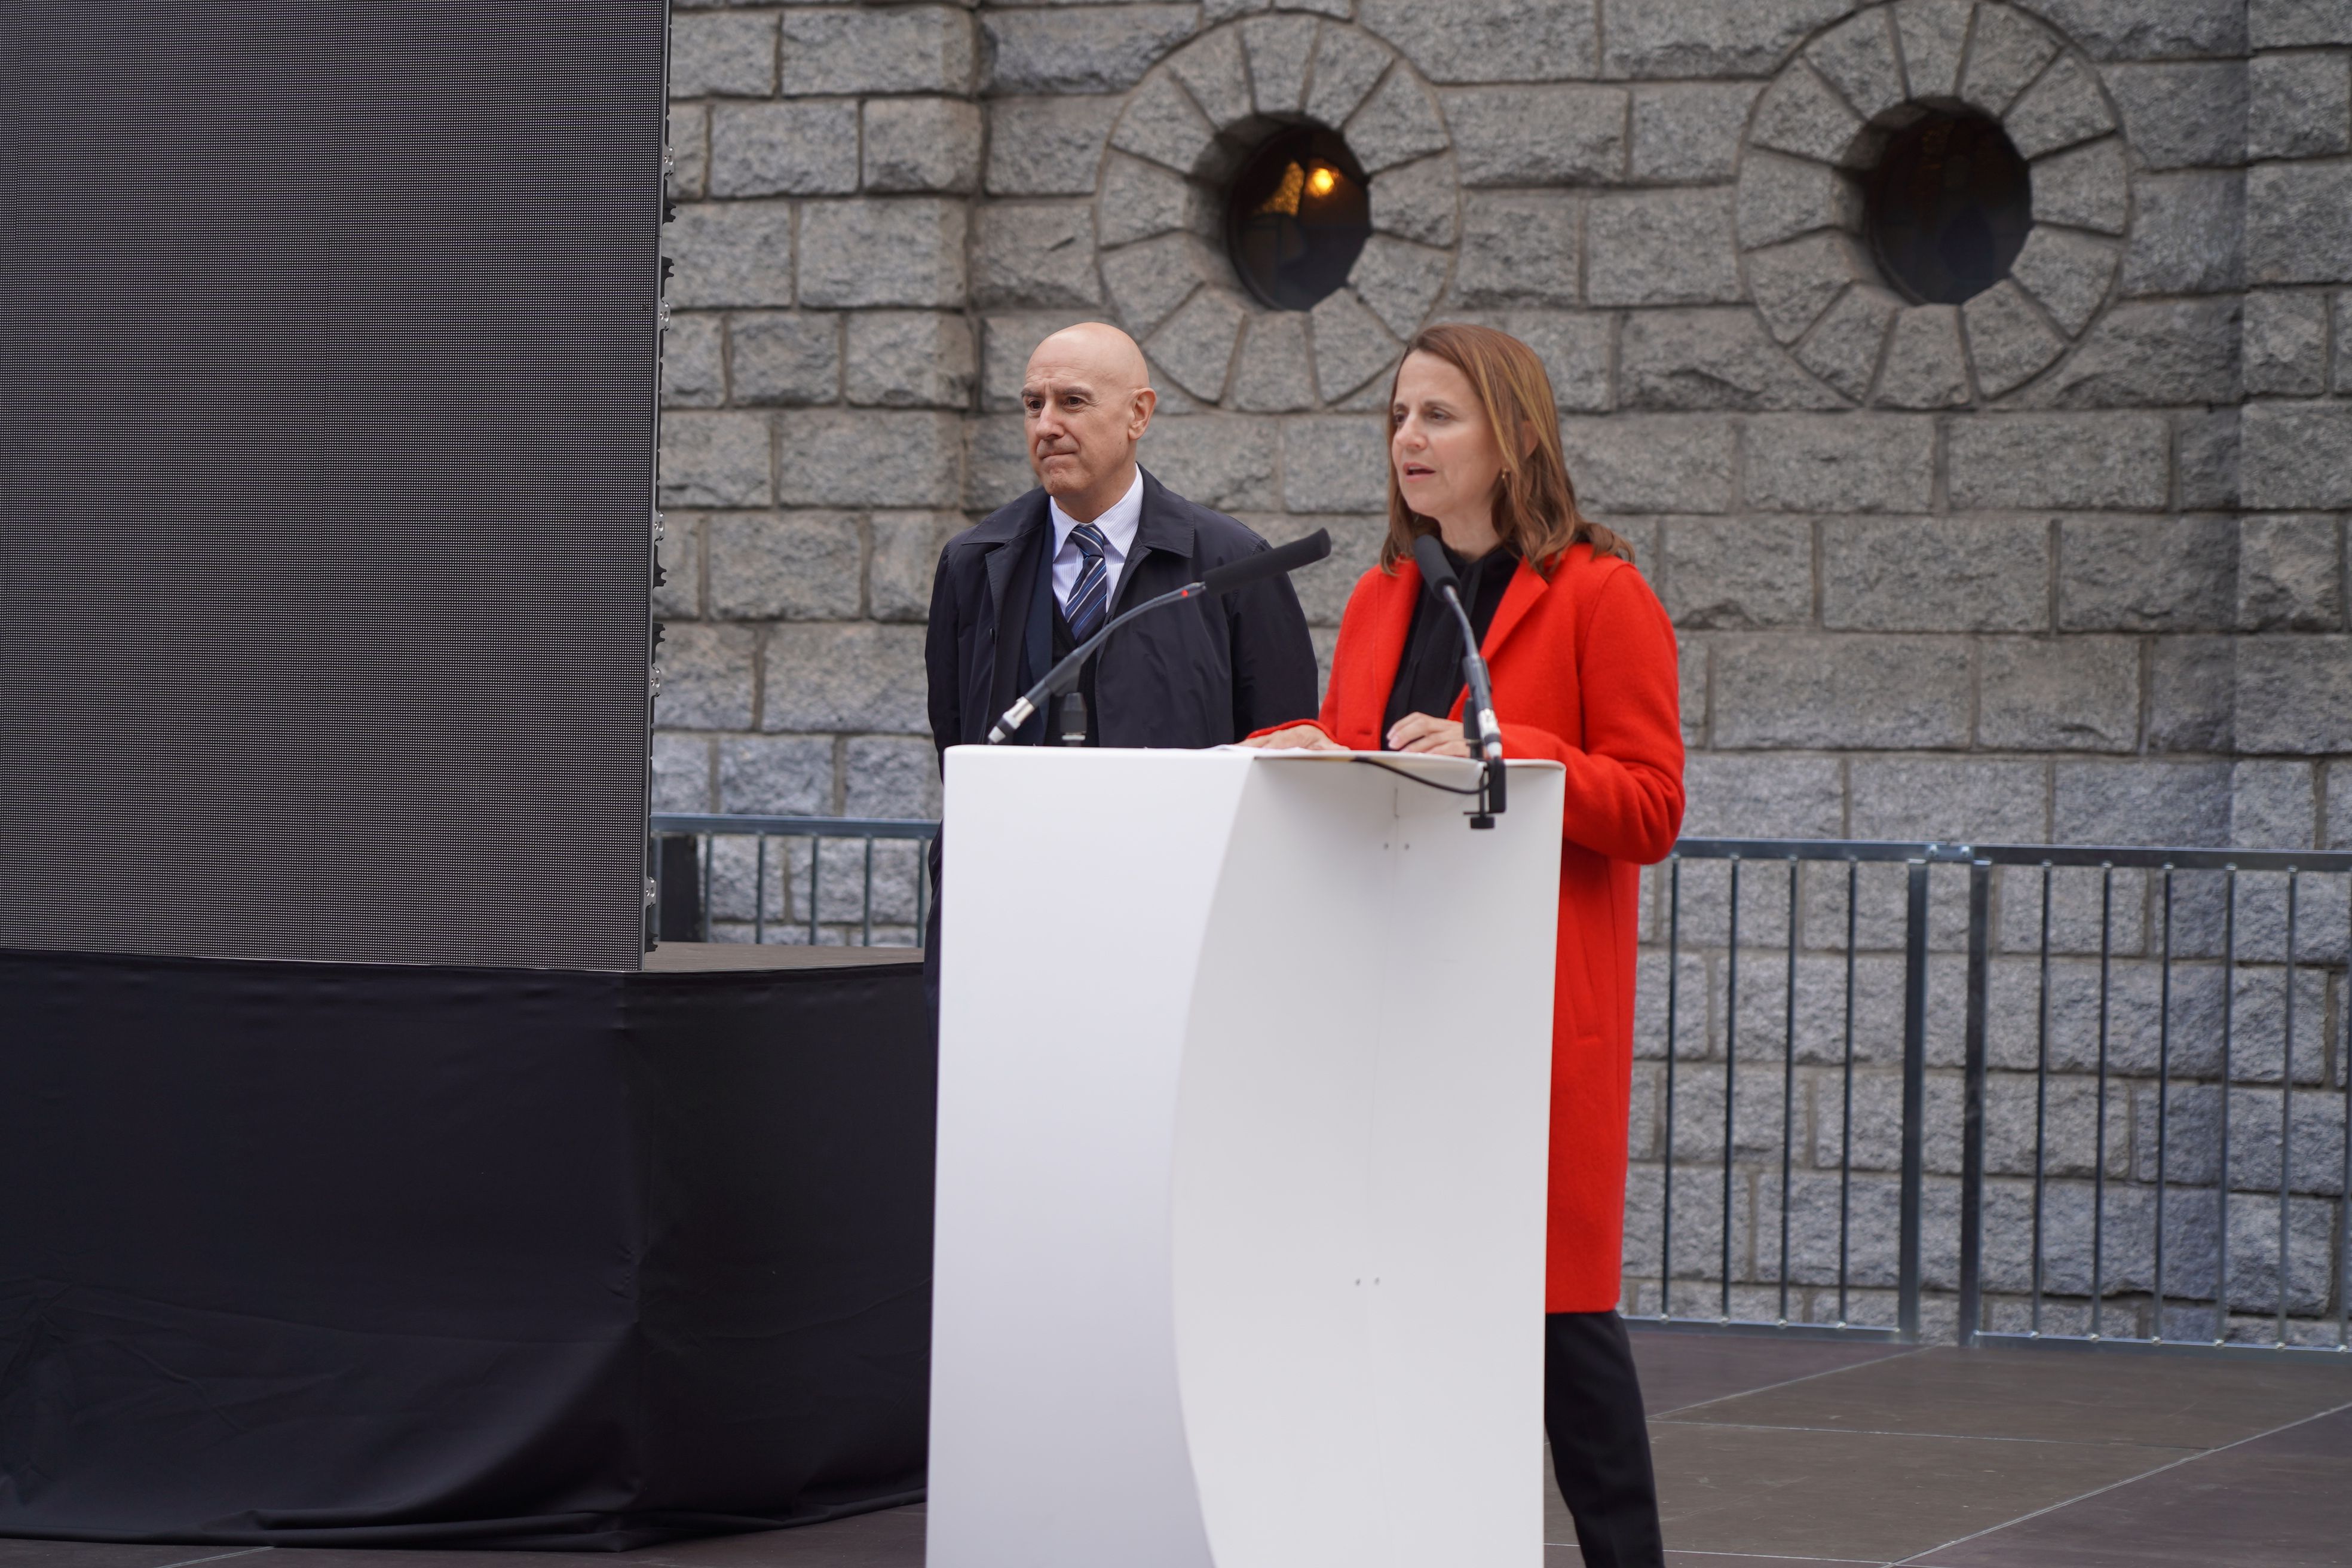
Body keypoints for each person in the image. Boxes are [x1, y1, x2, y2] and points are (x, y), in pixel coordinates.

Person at [1242, 323, 1684, 1568]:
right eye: (1396, 417)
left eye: (1437, 415)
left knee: (1558, 1324)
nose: (1407, 440)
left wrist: (1514, 755)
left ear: (1513, 436)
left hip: (1532, 1019)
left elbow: (1651, 805)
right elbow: (1360, 744)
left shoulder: (1605, 593)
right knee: (1408, 1312)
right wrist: (1294, 746)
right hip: (1396, 1010)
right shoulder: (1387, 594)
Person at [921, 321, 1321, 958]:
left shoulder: (1231, 563)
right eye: (1033, 404)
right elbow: (955, 731)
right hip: (1008, 913)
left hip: (1174, 915)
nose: (1046, 424)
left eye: (1072, 402)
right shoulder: (974, 563)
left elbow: (1286, 746)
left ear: (1139, 413)